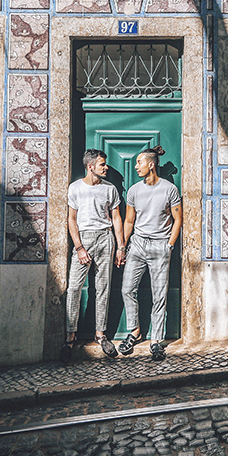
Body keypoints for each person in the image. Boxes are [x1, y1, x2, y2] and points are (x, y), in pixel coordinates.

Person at [118, 145, 182, 362]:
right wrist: (122, 247)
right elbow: (129, 221)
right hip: (137, 244)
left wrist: (170, 245)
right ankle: (134, 331)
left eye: (139, 163)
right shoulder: (135, 190)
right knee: (127, 289)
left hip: (160, 245)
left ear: (151, 164)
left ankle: (156, 340)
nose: (136, 167)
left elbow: (178, 220)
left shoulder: (169, 189)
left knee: (159, 295)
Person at [63, 148, 125, 363]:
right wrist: (79, 247)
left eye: (105, 164)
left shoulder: (110, 189)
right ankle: (70, 337)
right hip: (84, 240)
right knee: (73, 288)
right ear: (90, 167)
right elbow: (72, 219)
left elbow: (116, 218)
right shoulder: (75, 188)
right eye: (102, 164)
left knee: (103, 288)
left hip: (105, 238)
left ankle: (101, 334)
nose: (105, 167)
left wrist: (120, 246)